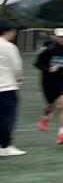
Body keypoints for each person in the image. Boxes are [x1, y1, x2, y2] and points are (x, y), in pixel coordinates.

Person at [35, 27, 63, 145]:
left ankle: (62, 133)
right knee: (50, 104)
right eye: (62, 37)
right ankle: (45, 118)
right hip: (49, 81)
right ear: (57, 37)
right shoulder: (49, 49)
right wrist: (49, 68)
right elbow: (38, 64)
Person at [0, 21, 25, 157]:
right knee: (8, 117)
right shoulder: (9, 47)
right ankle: (6, 145)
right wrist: (19, 80)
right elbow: (16, 67)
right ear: (8, 31)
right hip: (6, 86)